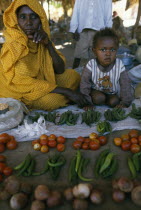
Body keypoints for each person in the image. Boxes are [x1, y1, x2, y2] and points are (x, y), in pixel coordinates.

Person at [0, 0, 88, 111]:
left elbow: (60, 70)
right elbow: (23, 83)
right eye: (23, 17)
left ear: (41, 20)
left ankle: (66, 96)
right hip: (19, 90)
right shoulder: (13, 46)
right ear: (16, 20)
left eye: (33, 17)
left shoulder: (41, 37)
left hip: (43, 81)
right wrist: (67, 91)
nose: (28, 22)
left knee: (73, 76)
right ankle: (68, 97)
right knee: (52, 101)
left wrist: (48, 44)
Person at [80, 28, 134, 110]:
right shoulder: (91, 64)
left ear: (117, 50)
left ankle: (107, 99)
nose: (108, 54)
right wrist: (87, 103)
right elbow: (84, 84)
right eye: (103, 50)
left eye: (112, 50)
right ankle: (101, 98)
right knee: (99, 98)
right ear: (94, 51)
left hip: (111, 92)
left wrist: (125, 102)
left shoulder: (119, 65)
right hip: (95, 91)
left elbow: (125, 84)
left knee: (114, 101)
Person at [69, 0, 113, 69]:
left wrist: (108, 32)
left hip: (99, 30)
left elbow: (108, 13)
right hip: (83, 29)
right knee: (78, 55)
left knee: (97, 57)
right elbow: (76, 9)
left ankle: (97, 77)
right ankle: (74, 75)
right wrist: (74, 28)